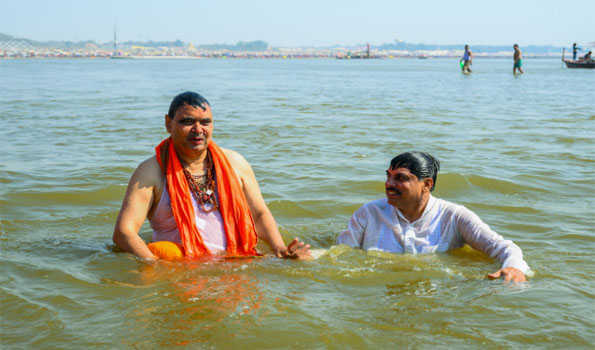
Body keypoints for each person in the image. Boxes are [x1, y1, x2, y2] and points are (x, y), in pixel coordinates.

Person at [113, 91, 310, 260]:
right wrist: (154, 265)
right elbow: (124, 233)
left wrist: (280, 249)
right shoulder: (152, 171)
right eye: (187, 122)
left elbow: (259, 214)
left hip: (235, 262)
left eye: (205, 122)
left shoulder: (235, 163)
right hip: (182, 270)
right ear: (168, 123)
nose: (198, 130)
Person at [337, 152, 530, 282]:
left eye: (400, 178)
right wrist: (310, 258)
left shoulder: (453, 216)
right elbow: (340, 253)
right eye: (388, 176)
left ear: (427, 184)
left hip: (438, 292)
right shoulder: (369, 213)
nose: (389, 184)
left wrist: (513, 269)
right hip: (381, 287)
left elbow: (504, 247)